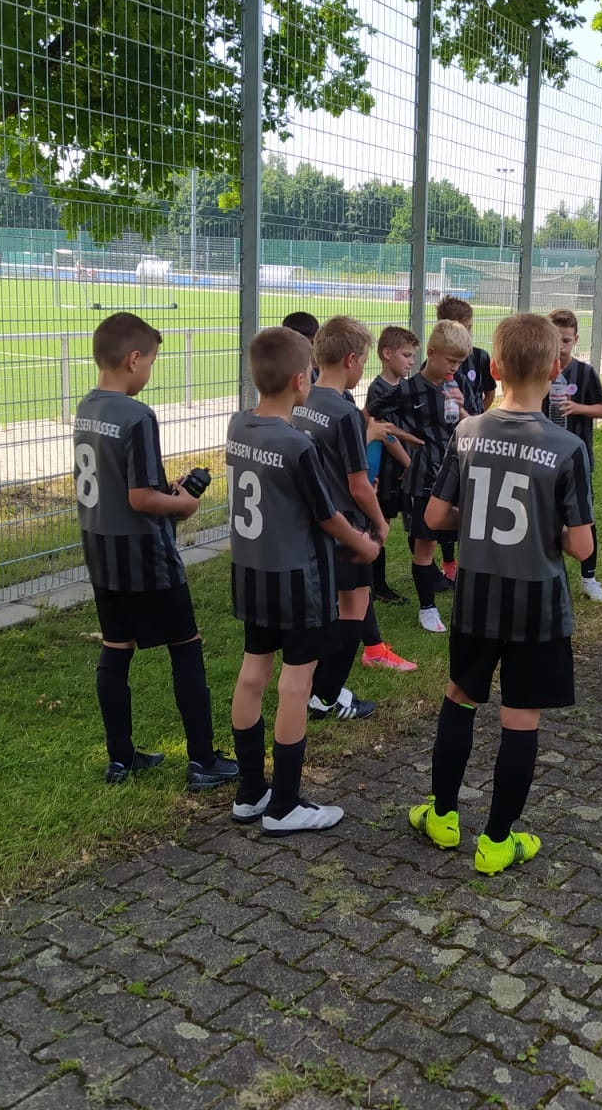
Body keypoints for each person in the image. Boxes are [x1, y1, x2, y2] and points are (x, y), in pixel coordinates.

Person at [409, 312, 594, 874]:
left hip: (476, 596)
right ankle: (496, 842)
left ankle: (443, 816)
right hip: (537, 604)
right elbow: (581, 546)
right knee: (521, 718)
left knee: (460, 698)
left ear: (493, 368)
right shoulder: (566, 447)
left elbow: (435, 516)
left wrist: (477, 521)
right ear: (557, 369)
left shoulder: (467, 432)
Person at [74, 312, 241, 788]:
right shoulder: (138, 415)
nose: (150, 371)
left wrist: (162, 490)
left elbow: (124, 483)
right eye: (150, 362)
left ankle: (120, 759)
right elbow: (141, 498)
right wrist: (183, 503)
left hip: (101, 548)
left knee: (116, 646)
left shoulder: (87, 407)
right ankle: (203, 761)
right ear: (133, 359)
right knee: (186, 646)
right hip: (144, 552)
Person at [225, 327, 379, 832]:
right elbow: (328, 515)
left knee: (253, 673)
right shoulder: (297, 445)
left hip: (251, 571)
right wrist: (363, 543)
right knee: (296, 682)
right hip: (298, 577)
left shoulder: (238, 425)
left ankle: (251, 793)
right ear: (300, 380)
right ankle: (285, 804)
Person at [291, 316, 389, 720]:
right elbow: (359, 485)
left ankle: (315, 685)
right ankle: (326, 696)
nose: (363, 368)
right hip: (345, 525)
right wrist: (380, 523)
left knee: (327, 608)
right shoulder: (345, 412)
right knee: (354, 605)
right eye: (364, 361)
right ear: (351, 360)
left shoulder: (303, 399)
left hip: (310, 524)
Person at [401, 319, 472, 633]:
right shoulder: (408, 389)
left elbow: (475, 425)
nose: (454, 367)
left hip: (459, 474)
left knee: (468, 539)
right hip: (424, 477)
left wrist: (462, 408)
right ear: (431, 353)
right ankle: (427, 608)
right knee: (425, 545)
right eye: (450, 360)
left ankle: (468, 598)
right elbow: (385, 427)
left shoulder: (458, 384)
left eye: (460, 362)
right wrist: (407, 459)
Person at [545, 309, 602, 603]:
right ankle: (549, 576)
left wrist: (577, 408)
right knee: (545, 518)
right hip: (545, 460)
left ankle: (590, 579)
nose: (561, 346)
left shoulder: (585, 373)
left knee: (584, 520)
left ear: (575, 340)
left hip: (577, 462)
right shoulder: (540, 372)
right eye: (555, 340)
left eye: (566, 340)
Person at [435, 296, 495, 584]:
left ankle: (473, 557)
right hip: (448, 442)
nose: (467, 334)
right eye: (463, 328)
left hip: (475, 439)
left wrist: (477, 417)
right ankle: (449, 561)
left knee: (475, 498)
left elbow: (489, 392)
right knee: (448, 501)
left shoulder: (480, 357)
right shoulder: (434, 363)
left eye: (469, 328)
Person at [365, 325, 422, 605]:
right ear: (387, 354)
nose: (411, 362)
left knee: (414, 517)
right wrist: (409, 463)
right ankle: (376, 585)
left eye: (413, 357)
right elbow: (386, 434)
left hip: (402, 468)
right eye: (406, 355)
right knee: (381, 524)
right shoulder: (378, 390)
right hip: (387, 470)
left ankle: (428, 570)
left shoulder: (404, 388)